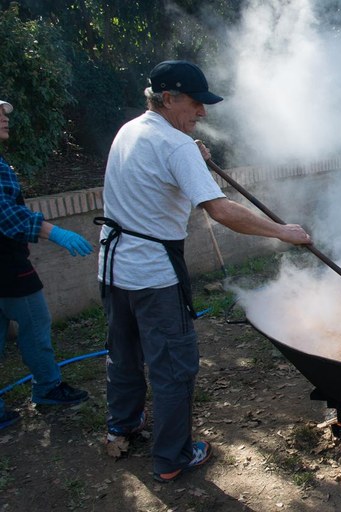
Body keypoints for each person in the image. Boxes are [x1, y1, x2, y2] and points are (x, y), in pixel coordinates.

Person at [97, 61, 312, 483]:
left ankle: (122, 426)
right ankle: (172, 458)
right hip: (154, 276)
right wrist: (281, 231)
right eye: (196, 103)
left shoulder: (131, 130)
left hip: (112, 269)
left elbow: (157, 169)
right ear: (169, 98)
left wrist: (190, 152)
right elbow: (221, 210)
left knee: (123, 354)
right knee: (174, 367)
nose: (203, 112)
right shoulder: (176, 146)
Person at [0, 99, 92, 430]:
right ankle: (48, 387)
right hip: (8, 268)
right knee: (36, 323)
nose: (5, 118)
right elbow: (6, 213)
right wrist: (55, 232)